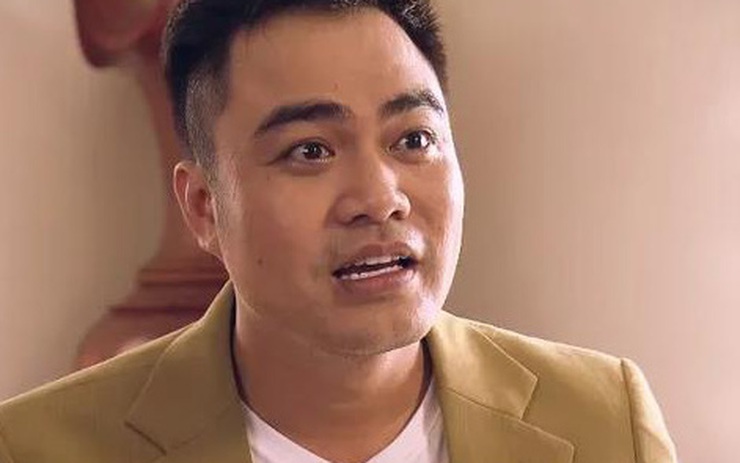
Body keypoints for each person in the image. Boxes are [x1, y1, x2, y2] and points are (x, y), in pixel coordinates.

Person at [0, 0, 677, 462]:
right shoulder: (38, 447)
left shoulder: (602, 420)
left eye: (413, 139)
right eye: (311, 150)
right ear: (204, 208)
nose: (380, 199)